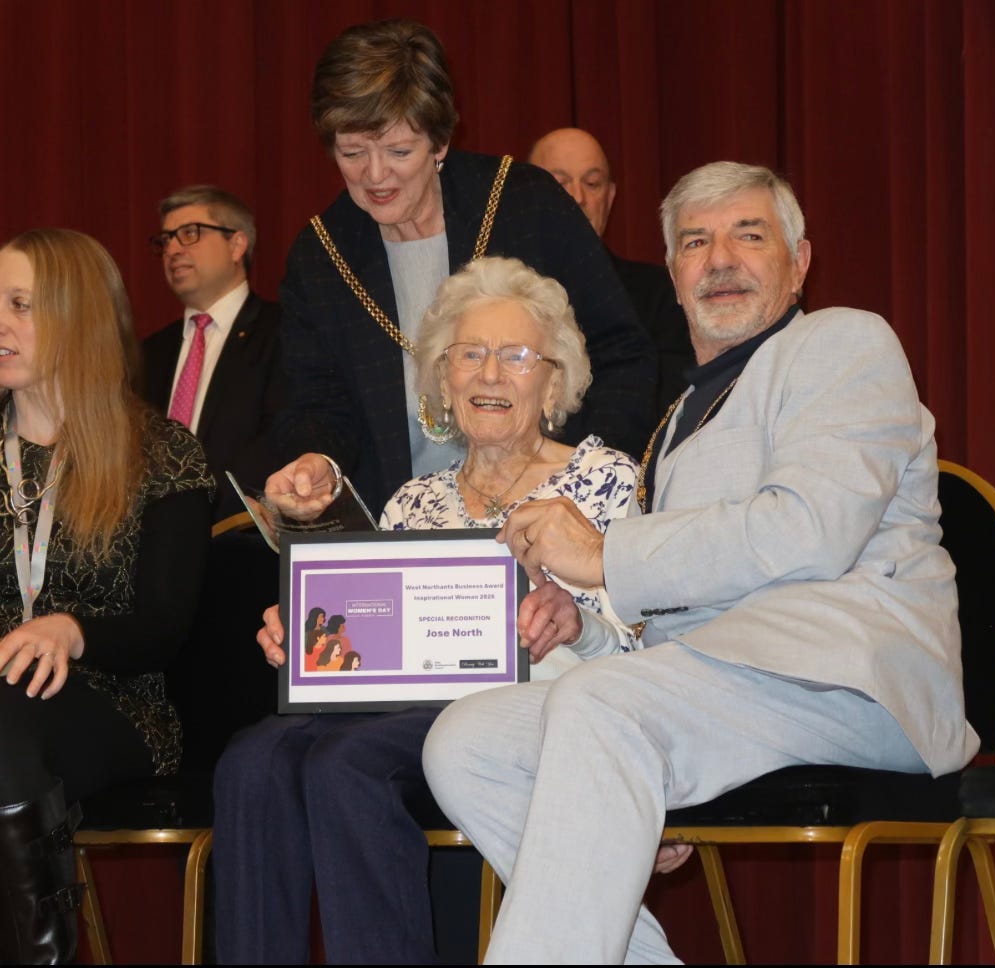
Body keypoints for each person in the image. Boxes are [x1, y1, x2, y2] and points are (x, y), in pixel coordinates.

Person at [422, 162, 980, 964]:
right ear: (674, 277)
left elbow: (809, 531)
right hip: (719, 683)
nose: (719, 259)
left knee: (604, 708)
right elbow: (676, 611)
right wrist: (586, 628)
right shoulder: (683, 413)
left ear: (800, 262)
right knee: (466, 741)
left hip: (845, 678)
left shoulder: (843, 342)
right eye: (694, 242)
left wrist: (604, 554)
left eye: (748, 236)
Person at [212, 256, 642, 964]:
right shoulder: (412, 501)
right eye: (468, 355)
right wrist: (312, 630)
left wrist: (575, 619)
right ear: (443, 381)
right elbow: (374, 644)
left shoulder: (603, 478)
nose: (490, 374)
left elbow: (637, 646)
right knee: (251, 760)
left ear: (554, 381)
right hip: (401, 712)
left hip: (525, 712)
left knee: (345, 764)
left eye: (516, 356)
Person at [263, 18, 656, 526]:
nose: (375, 175)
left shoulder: (524, 204)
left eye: (399, 151)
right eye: (352, 153)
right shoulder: (321, 254)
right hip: (403, 523)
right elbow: (318, 402)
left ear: (440, 142)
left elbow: (622, 353)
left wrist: (579, 481)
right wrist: (320, 462)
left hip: (549, 515)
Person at [0, 228, 214, 964]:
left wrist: (71, 630)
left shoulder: (161, 453)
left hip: (114, 699)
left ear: (78, 317)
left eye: (20, 305)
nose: (0, 323)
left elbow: (163, 627)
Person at [141, 184, 287, 523]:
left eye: (189, 233)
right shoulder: (149, 352)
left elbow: (280, 437)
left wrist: (194, 510)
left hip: (240, 536)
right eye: (166, 240)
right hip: (156, 537)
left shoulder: (283, 332)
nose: (172, 249)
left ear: (236, 244)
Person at [527, 126, 694, 411]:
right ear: (525, 195)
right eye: (559, 182)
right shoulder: (494, 293)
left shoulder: (660, 297)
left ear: (610, 196)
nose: (578, 197)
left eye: (592, 183)